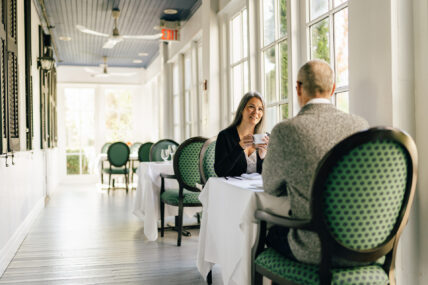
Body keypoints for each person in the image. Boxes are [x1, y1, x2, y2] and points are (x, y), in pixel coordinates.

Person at [262, 60, 369, 265]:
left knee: (268, 231)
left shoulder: (286, 131)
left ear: (298, 88)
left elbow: (271, 188)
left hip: (315, 247)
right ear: (333, 88)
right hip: (365, 244)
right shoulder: (360, 126)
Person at [214, 91, 269, 177]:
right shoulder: (225, 136)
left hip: (257, 189)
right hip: (233, 189)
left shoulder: (266, 138)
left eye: (260, 109)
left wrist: (263, 157)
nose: (256, 112)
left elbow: (273, 175)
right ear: (242, 110)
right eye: (251, 107)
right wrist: (239, 147)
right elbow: (220, 172)